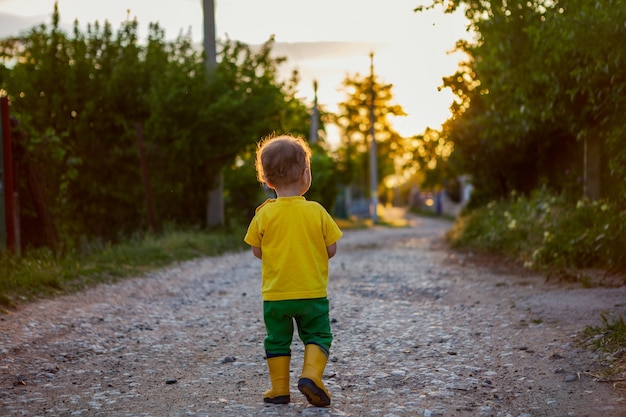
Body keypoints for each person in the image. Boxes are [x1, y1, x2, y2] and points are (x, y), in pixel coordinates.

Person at [244, 134, 343, 407]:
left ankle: (279, 390)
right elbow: (331, 250)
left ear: (267, 180)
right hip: (311, 293)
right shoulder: (317, 211)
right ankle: (311, 375)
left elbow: (257, 250)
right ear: (305, 175)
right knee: (318, 335)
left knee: (277, 340)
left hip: (276, 295)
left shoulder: (263, 214)